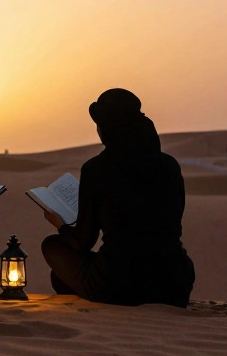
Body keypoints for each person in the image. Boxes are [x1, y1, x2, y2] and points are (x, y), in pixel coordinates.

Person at [40, 89, 195, 307]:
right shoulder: (169, 165)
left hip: (119, 283)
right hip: (175, 282)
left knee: (52, 247)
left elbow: (82, 242)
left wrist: (61, 226)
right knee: (61, 276)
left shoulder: (97, 168)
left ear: (105, 128)